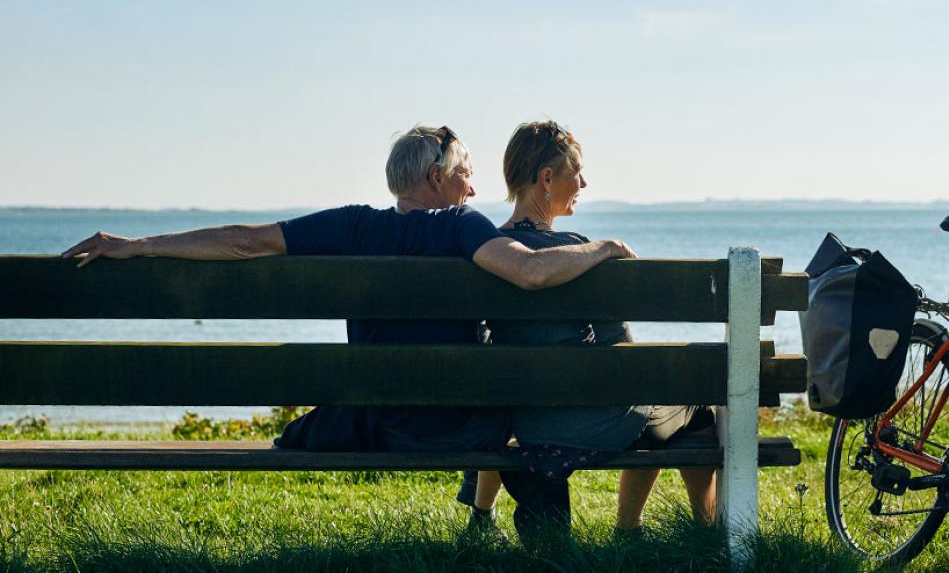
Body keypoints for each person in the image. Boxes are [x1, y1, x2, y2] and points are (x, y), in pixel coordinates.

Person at [60, 123, 636, 461]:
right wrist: (604, 248)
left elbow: (242, 241)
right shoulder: (461, 226)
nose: (473, 186)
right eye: (465, 174)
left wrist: (135, 245)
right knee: (523, 432)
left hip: (378, 422)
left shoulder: (351, 225)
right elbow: (529, 272)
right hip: (454, 429)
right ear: (436, 179)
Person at [455, 120, 716, 541]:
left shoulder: (486, 254)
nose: (584, 181)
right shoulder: (585, 253)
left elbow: (481, 346)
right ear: (546, 179)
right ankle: (654, 533)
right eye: (576, 171)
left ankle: (480, 520)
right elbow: (623, 353)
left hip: (517, 422)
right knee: (698, 412)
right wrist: (608, 248)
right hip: (594, 425)